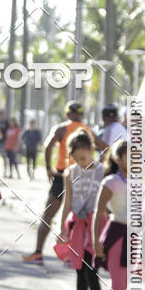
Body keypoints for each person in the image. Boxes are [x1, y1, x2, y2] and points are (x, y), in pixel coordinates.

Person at [23, 101, 93, 264]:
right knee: (76, 217)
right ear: (81, 114)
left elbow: (48, 146)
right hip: (81, 176)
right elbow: (103, 147)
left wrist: (48, 167)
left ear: (67, 114)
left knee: (48, 214)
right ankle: (72, 255)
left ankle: (38, 253)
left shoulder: (61, 128)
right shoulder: (87, 131)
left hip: (62, 176)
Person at [93, 139, 140, 290]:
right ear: (118, 158)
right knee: (118, 285)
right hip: (116, 234)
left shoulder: (138, 181)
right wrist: (95, 241)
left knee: (124, 285)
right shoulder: (111, 182)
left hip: (132, 236)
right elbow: (99, 211)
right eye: (130, 155)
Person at [59, 131, 106, 290]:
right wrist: (62, 227)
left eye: (84, 158)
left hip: (95, 225)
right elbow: (67, 202)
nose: (81, 162)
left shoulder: (102, 171)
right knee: (79, 272)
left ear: (91, 150)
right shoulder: (70, 173)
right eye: (77, 159)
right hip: (77, 226)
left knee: (91, 271)